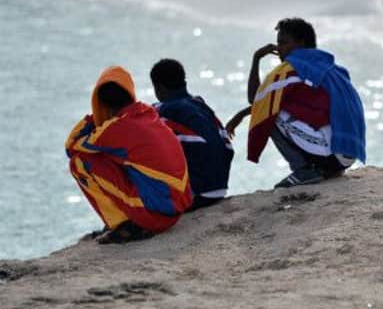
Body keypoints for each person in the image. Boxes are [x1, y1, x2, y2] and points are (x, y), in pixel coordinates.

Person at [226, 17, 366, 188]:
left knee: (269, 113)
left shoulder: (292, 68)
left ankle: (305, 169)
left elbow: (257, 99)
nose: (278, 49)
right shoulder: (328, 66)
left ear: (301, 43)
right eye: (278, 43)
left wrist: (256, 59)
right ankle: (325, 168)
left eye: (284, 43)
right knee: (275, 105)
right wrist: (243, 113)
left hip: (334, 154)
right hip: (348, 152)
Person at [66, 66, 192, 244]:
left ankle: (122, 226)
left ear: (100, 101)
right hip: (175, 210)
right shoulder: (147, 114)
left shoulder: (115, 128)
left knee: (79, 162)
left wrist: (93, 117)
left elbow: (71, 146)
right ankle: (129, 220)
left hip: (156, 216)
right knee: (112, 157)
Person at [150, 58, 233, 211]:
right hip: (219, 188)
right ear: (184, 83)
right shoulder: (200, 105)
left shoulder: (165, 111)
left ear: (158, 88)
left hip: (197, 194)